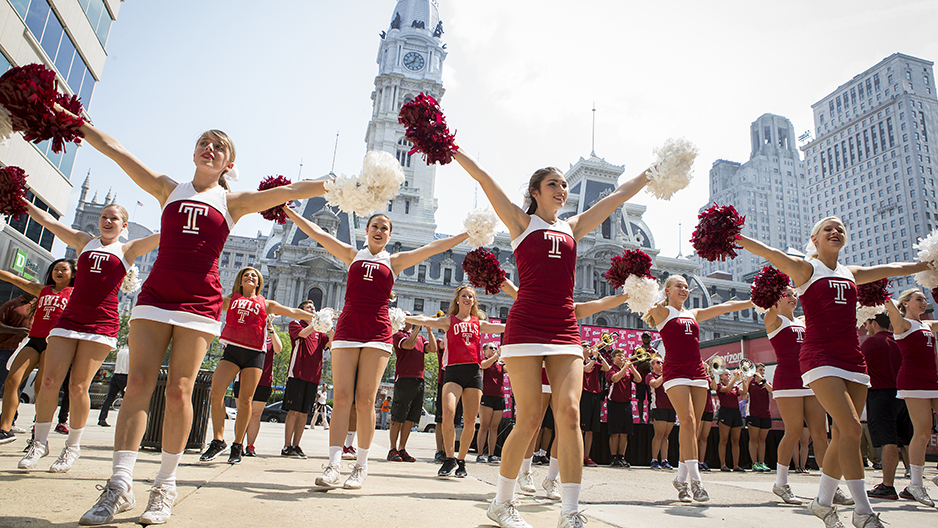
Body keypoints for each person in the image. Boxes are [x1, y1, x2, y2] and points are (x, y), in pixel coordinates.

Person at [73, 121, 328, 526]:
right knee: (138, 384)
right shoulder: (167, 188)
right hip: (156, 295)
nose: (210, 148)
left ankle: (165, 486)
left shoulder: (235, 201)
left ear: (229, 162)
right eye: (203, 143)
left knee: (179, 390)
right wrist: (73, 120)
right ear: (194, 153)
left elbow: (293, 192)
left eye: (219, 146)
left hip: (198, 300)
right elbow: (116, 150)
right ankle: (119, 485)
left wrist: (342, 184)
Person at [454, 148, 649, 528]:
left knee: (570, 414)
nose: (562, 189)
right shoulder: (519, 222)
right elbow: (482, 175)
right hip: (526, 324)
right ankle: (502, 502)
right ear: (535, 191)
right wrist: (451, 148)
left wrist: (651, 174)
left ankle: (570, 510)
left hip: (563, 325)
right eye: (553, 184)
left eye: (563, 184)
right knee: (528, 418)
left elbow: (616, 197)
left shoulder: (573, 226)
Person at [736, 216, 930, 528]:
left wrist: (927, 264)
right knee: (852, 428)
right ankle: (863, 512)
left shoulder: (851, 273)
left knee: (841, 435)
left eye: (840, 228)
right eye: (828, 228)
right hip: (819, 356)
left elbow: (895, 268)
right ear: (814, 239)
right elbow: (770, 253)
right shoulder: (805, 269)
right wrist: (734, 235)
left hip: (852, 358)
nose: (835, 231)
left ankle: (822, 502)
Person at [283, 205, 468, 490]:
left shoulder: (395, 261)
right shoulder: (351, 254)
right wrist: (292, 214)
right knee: (342, 397)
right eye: (375, 226)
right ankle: (333, 465)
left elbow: (434, 246)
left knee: (365, 400)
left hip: (377, 330)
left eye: (384, 228)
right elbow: (317, 233)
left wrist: (469, 233)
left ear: (389, 234)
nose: (379, 231)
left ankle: (361, 466)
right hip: (347, 327)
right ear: (366, 231)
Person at [16, 199, 158, 477]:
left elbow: (168, 235)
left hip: (101, 322)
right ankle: (39, 443)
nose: (107, 221)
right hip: (69, 318)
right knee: (48, 381)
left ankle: (72, 446)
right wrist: (23, 201)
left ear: (124, 226)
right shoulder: (84, 240)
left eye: (114, 219)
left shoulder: (128, 249)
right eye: (104, 217)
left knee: (78, 387)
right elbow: (50, 223)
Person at [642, 274, 753, 502]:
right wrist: (652, 288)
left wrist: (754, 301)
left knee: (693, 427)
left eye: (686, 287)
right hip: (675, 372)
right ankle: (696, 482)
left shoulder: (693, 314)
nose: (684, 289)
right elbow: (645, 298)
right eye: (678, 286)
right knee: (688, 421)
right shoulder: (662, 313)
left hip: (697, 372)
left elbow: (726, 306)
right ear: (667, 290)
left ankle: (680, 479)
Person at [200, 269, 316, 464]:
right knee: (216, 393)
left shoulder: (266, 303)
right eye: (246, 275)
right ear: (240, 280)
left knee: (245, 401)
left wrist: (319, 317)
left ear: (259, 282)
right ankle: (218, 440)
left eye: (254, 276)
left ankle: (238, 446)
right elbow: (209, 298)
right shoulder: (230, 300)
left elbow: (292, 312)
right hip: (232, 351)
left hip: (254, 354)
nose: (250, 277)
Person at [406, 285, 506, 479]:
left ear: (474, 301)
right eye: (464, 296)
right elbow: (424, 320)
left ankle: (461, 461)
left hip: (474, 372)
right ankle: (449, 457)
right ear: (458, 300)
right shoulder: (448, 321)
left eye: (471, 296)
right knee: (448, 412)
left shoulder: (479, 323)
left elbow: (505, 326)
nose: (468, 298)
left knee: (470, 421)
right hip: (453, 371)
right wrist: (401, 317)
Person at [763, 287, 830, 505]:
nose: (792, 298)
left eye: (794, 295)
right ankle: (781, 484)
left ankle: (829, 486)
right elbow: (769, 304)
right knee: (792, 431)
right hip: (787, 380)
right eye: (787, 295)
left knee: (820, 433)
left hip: (810, 379)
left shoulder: (803, 321)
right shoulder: (773, 320)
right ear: (777, 300)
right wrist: (773, 285)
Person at [0, 260, 74, 443]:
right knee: (11, 381)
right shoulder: (42, 290)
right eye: (55, 269)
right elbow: (15, 279)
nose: (58, 272)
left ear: (73, 274)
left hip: (55, 342)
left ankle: (38, 435)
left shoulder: (76, 294)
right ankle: (5, 429)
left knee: (42, 388)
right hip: (34, 340)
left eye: (63, 269)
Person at [884, 288, 938, 507]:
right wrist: (883, 293)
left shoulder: (928, 325)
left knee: (925, 431)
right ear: (905, 303)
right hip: (913, 381)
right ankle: (916, 484)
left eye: (925, 299)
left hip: (933, 380)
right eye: (919, 299)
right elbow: (888, 304)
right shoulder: (903, 324)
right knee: (923, 432)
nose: (923, 302)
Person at [860, 312, 911, 501]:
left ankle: (888, 486)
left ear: (874, 323)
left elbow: (859, 365)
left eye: (866, 323)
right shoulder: (899, 340)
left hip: (880, 394)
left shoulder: (871, 343)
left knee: (888, 441)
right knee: (907, 440)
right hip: (903, 394)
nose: (865, 327)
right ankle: (915, 484)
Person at [280, 301, 331, 459]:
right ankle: (287, 446)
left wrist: (332, 325)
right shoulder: (296, 323)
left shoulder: (319, 330)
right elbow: (302, 334)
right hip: (297, 373)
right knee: (293, 411)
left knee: (304, 413)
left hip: (313, 376)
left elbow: (329, 343)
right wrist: (318, 321)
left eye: (314, 308)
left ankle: (296, 445)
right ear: (301, 311)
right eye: (309, 308)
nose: (312, 310)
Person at [242, 317, 283, 456]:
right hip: (245, 378)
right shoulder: (248, 332)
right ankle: (238, 444)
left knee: (255, 414)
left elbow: (278, 349)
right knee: (243, 411)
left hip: (264, 380)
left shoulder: (270, 337)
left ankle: (250, 445)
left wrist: (271, 330)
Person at [606, 348, 641, 467]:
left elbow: (639, 379)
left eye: (623, 355)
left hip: (626, 404)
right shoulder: (611, 369)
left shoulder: (627, 370)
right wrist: (625, 367)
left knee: (625, 432)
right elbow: (614, 379)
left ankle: (622, 456)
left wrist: (631, 367)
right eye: (619, 355)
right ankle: (613, 457)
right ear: (613, 358)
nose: (622, 357)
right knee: (615, 432)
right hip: (614, 403)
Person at [0, 291, 34, 402]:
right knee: (2, 383)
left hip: (26, 351)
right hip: (6, 349)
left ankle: (11, 416)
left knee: (18, 385)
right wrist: (16, 331)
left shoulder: (37, 306)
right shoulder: (11, 304)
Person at [580, 341, 610, 467]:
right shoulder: (579, 360)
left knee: (590, 430)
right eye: (585, 346)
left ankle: (587, 456)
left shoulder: (595, 361)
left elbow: (607, 368)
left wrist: (600, 356)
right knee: (581, 428)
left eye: (589, 346)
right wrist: (593, 357)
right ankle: (578, 455)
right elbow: (586, 369)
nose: (589, 348)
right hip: (583, 395)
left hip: (595, 395)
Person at [713, 369, 747, 472]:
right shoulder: (719, 386)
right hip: (725, 412)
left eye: (729, 374)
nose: (728, 376)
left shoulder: (735, 387)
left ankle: (736, 465)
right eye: (726, 375)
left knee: (736, 440)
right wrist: (735, 379)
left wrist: (743, 380)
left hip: (735, 413)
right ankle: (723, 464)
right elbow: (727, 388)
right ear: (721, 377)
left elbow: (744, 392)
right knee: (724, 440)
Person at [478, 343, 505, 463]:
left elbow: (509, 369)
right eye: (491, 348)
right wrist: (497, 356)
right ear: (485, 351)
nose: (494, 350)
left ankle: (492, 454)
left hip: (499, 395)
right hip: (486, 395)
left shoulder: (500, 363)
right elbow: (484, 365)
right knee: (484, 426)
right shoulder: (483, 360)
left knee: (494, 427)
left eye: (495, 348)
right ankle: (479, 454)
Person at [646, 355, 674, 471]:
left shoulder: (667, 376)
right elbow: (655, 384)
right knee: (659, 434)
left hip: (670, 407)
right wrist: (664, 374)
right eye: (658, 362)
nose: (661, 364)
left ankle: (664, 460)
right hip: (658, 407)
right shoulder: (650, 376)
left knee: (666, 436)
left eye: (662, 362)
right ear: (653, 365)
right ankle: (654, 459)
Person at [744, 363, 773, 472]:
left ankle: (762, 463)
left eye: (763, 370)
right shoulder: (750, 382)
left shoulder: (766, 383)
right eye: (760, 370)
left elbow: (772, 391)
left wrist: (764, 381)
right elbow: (745, 393)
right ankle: (754, 463)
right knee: (754, 439)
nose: (762, 372)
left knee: (762, 440)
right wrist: (748, 378)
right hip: (753, 414)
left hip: (765, 414)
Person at [98, 347, 129, 427]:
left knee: (109, 398)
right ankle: (124, 420)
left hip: (116, 375)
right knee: (126, 400)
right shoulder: (132, 352)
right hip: (125, 376)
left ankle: (102, 418)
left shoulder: (121, 351)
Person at [634, 332, 654, 423]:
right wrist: (643, 363)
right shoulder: (637, 350)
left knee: (650, 400)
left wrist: (645, 364)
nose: (646, 339)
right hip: (640, 378)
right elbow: (634, 363)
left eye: (647, 337)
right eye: (644, 337)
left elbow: (654, 365)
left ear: (650, 339)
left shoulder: (654, 351)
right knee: (640, 399)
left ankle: (650, 419)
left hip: (650, 379)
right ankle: (641, 419)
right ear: (642, 339)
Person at [696, 387, 715, 472]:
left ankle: (702, 461)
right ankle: (695, 461)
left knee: (704, 438)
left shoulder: (708, 378)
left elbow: (714, 387)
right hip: (700, 407)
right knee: (697, 437)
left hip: (709, 409)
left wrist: (712, 376)